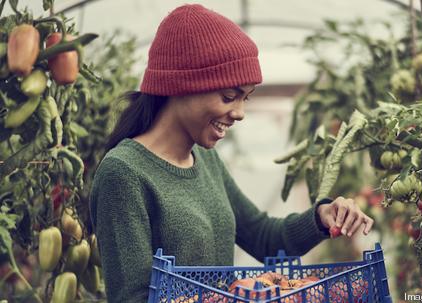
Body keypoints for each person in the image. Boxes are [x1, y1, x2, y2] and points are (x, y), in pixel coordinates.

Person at [89, 4, 374, 303]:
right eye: (229, 97)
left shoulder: (206, 160)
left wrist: (321, 216)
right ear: (180, 84)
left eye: (245, 98)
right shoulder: (123, 174)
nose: (239, 113)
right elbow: (132, 298)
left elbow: (263, 237)